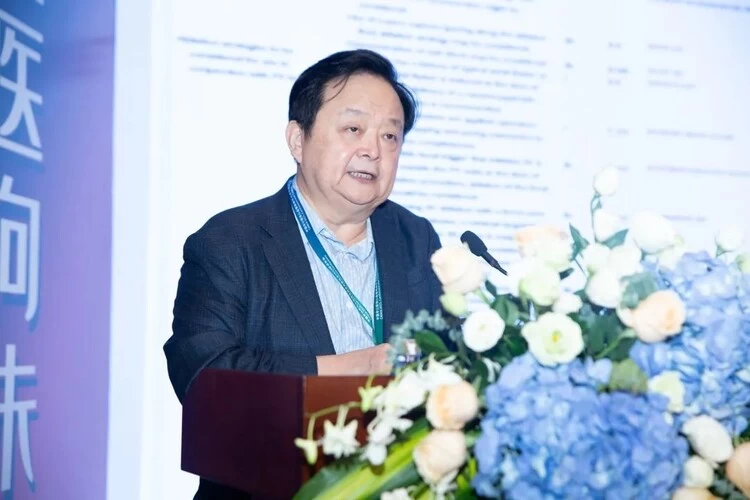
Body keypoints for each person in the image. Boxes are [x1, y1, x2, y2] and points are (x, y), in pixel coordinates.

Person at [163, 48, 444, 499]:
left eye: (390, 136)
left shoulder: (416, 238)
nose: (373, 150)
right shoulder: (230, 241)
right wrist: (357, 369)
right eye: (353, 129)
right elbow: (205, 377)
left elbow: (444, 354)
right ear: (298, 140)